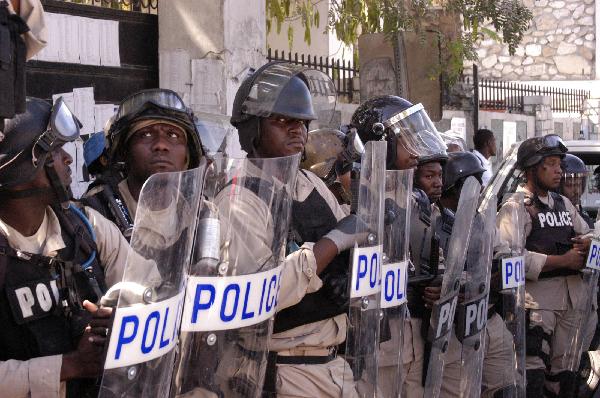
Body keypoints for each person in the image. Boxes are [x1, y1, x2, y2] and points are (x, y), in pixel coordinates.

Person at [230, 60, 367, 397]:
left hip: (334, 362)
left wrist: (347, 272)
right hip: (284, 369)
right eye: (282, 121)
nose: (297, 131)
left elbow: (351, 244)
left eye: (302, 122)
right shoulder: (239, 200)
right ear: (253, 129)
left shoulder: (310, 184)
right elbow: (258, 296)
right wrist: (332, 243)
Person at [0, 97, 133, 398]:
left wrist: (123, 319)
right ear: (23, 168)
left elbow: (148, 287)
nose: (68, 159)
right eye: (55, 150)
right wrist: (70, 366)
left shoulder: (85, 225)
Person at [350, 95, 448, 398]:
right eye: (407, 139)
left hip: (415, 331)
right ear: (383, 142)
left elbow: (433, 254)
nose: (417, 147)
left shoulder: (417, 200)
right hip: (377, 338)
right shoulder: (357, 196)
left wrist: (440, 280)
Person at [496, 134, 596, 397]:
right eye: (550, 164)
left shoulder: (562, 204)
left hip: (573, 302)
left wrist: (587, 245)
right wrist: (560, 261)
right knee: (534, 379)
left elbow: (590, 233)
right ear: (532, 169)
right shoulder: (517, 207)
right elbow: (510, 258)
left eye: (559, 164)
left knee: (565, 379)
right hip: (537, 305)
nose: (558, 171)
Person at [436, 152, 516, 397]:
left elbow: (503, 254)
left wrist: (501, 267)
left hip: (489, 316)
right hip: (454, 327)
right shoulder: (435, 220)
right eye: (471, 183)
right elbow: (442, 278)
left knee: (505, 388)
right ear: (453, 187)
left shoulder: (481, 219)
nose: (479, 188)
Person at [81, 89, 204, 238]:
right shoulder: (94, 216)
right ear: (125, 152)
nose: (161, 144)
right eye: (146, 134)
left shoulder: (203, 214)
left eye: (173, 135)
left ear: (186, 156)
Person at [559, 153, 594, 228]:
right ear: (558, 187)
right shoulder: (557, 216)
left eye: (578, 184)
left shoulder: (581, 212)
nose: (577, 191)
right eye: (569, 185)